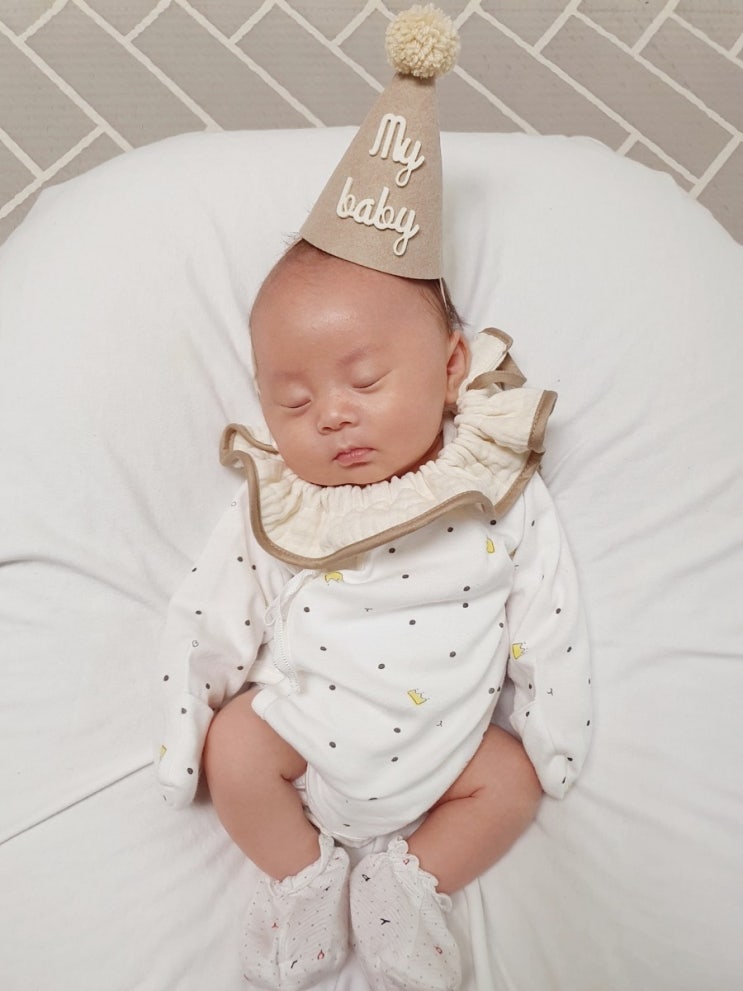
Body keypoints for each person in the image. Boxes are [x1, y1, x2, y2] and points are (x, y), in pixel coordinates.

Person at [154, 8, 591, 991]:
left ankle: (408, 882)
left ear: (450, 367)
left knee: (513, 782)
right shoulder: (285, 503)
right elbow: (211, 609)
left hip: (452, 748)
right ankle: (301, 874)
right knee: (236, 747)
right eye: (293, 400)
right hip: (305, 733)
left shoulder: (489, 480)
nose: (332, 416)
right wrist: (185, 727)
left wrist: (555, 725)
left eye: (364, 379)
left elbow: (547, 605)